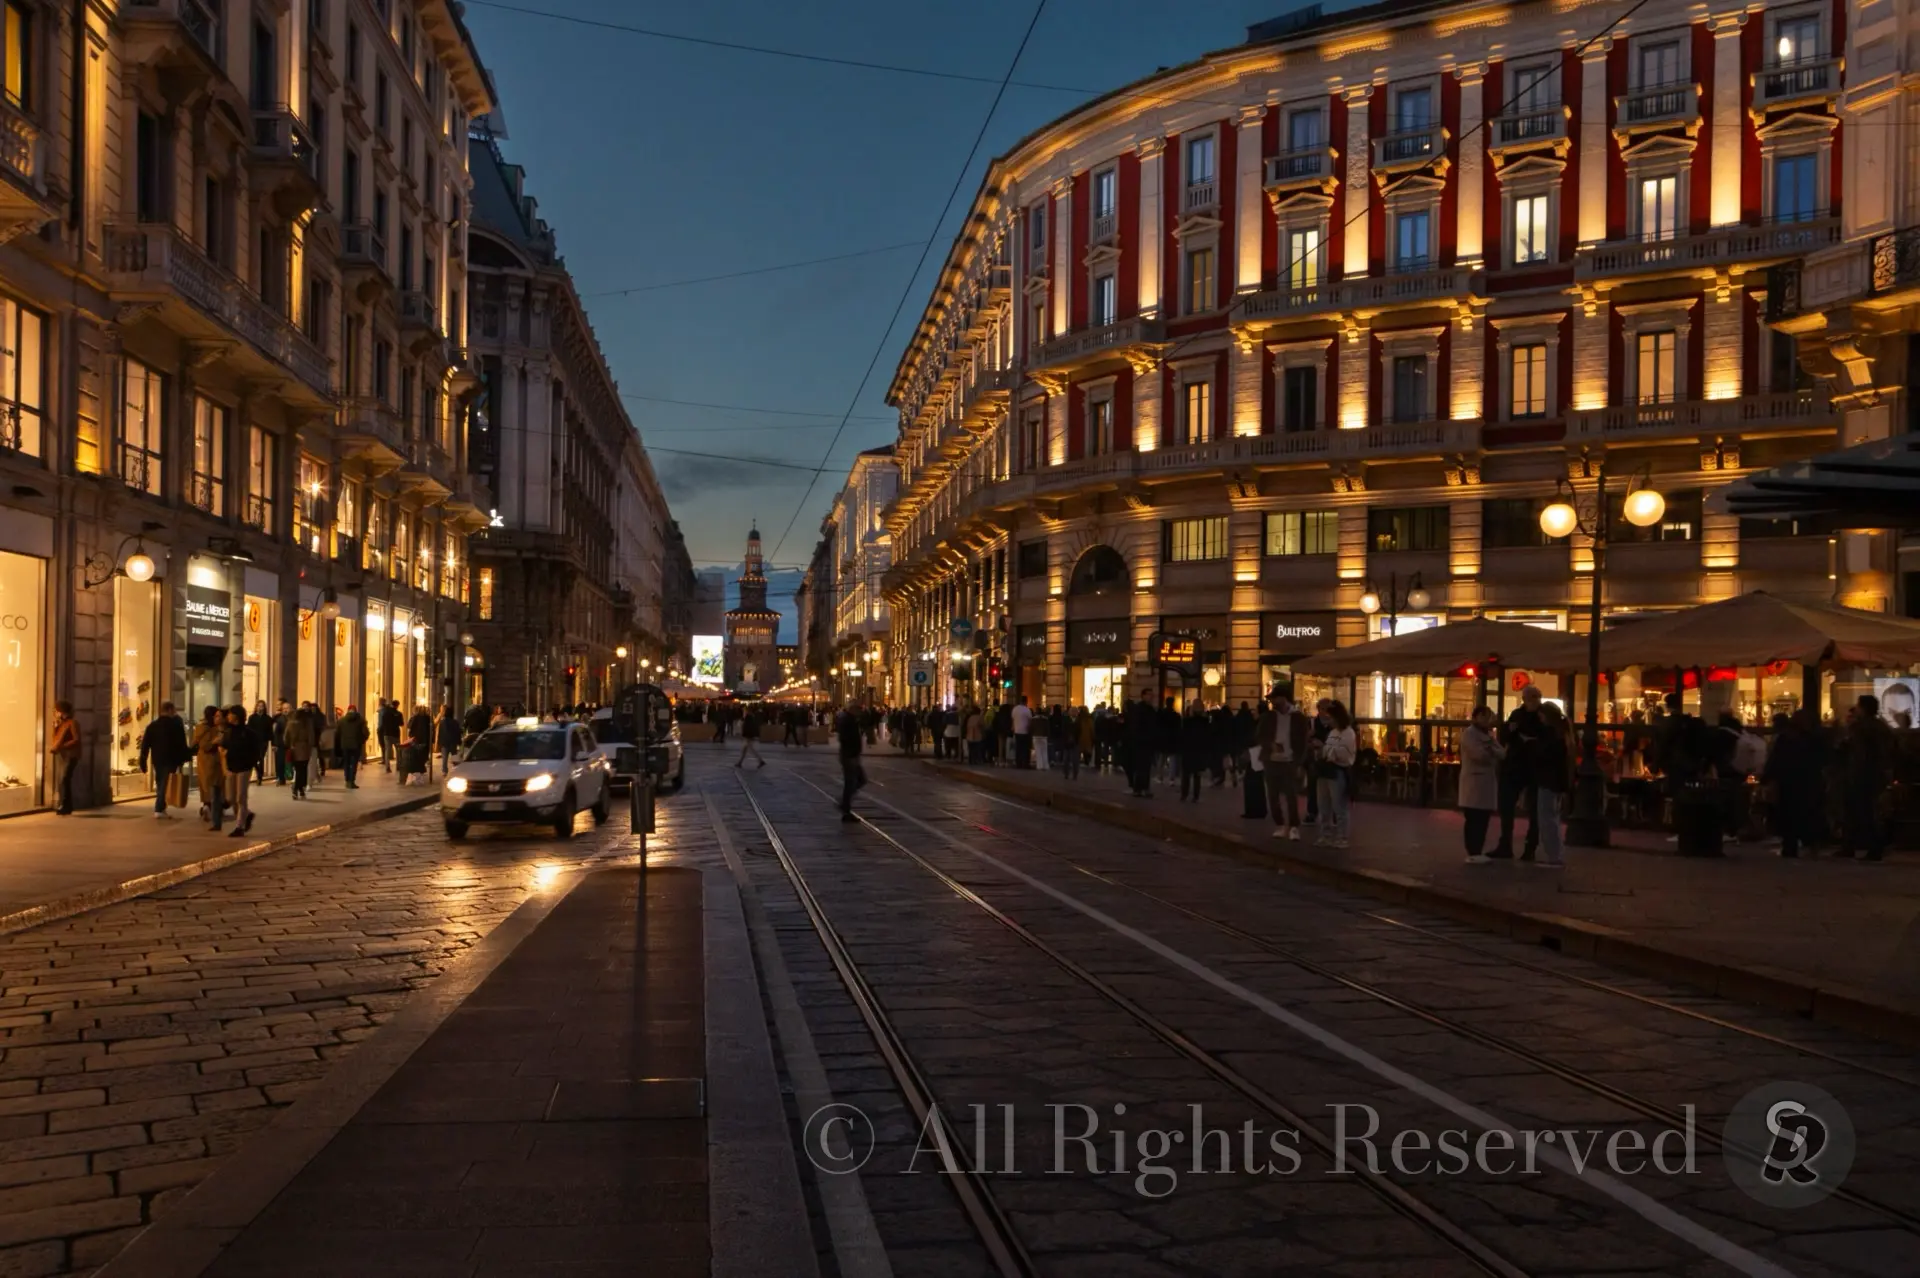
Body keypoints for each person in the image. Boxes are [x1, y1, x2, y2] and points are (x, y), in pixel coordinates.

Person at [1839, 694, 1895, 861]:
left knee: (1859, 811)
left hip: (1862, 774)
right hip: (1874, 774)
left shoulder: (1861, 728)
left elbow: (1857, 752)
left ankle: (1859, 846)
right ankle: (1870, 846)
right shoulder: (1881, 727)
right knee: (1869, 811)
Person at [1764, 710, 1826, 858]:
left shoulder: (1786, 738)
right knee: (1808, 813)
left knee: (1789, 814)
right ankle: (1810, 843)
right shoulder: (1816, 738)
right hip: (1809, 781)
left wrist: (1768, 778)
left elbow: (1776, 760)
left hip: (1789, 781)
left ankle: (1790, 846)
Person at [1493, 686, 1545, 861]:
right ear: (1524, 699)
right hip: (1514, 766)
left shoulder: (1544, 716)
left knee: (1535, 809)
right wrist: (1514, 733)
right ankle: (1505, 844)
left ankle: (1530, 848)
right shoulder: (1516, 714)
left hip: (1535, 767)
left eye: (1536, 697)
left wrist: (1524, 737)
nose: (1533, 700)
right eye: (1530, 697)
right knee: (1506, 805)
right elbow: (1506, 735)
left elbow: (1546, 738)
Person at [1258, 686, 1310, 840]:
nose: (1273, 701)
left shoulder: (1298, 717)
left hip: (1290, 761)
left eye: (1276, 698)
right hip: (1271, 760)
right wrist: (1270, 744)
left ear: (1284, 698)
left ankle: (1294, 826)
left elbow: (1303, 741)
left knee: (1291, 794)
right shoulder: (1268, 717)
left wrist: (1300, 762)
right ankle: (1280, 824)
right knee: (1273, 795)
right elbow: (1259, 735)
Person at [1459, 706, 1506, 863]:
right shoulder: (1469, 734)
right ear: (1475, 717)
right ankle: (1473, 851)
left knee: (1483, 819)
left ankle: (1477, 850)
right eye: (1483, 717)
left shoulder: (1489, 735)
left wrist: (1491, 752)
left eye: (1488, 717)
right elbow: (1479, 755)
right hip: (1474, 783)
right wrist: (1492, 753)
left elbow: (1502, 753)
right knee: (1473, 818)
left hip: (1486, 783)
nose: (1487, 721)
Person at [1534, 702, 1575, 868]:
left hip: (1548, 780)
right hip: (1557, 781)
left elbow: (1544, 756)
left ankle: (1554, 857)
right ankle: (1555, 855)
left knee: (1547, 819)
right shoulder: (1564, 733)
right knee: (1553, 818)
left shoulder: (1550, 734)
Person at [1314, 702, 1357, 848]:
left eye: (1330, 717)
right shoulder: (1332, 733)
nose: (1328, 720)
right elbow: (1329, 750)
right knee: (1323, 805)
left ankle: (1341, 837)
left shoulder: (1348, 733)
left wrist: (1325, 750)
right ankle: (1325, 835)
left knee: (1339, 807)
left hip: (1337, 771)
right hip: (1324, 771)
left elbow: (1345, 755)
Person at [137, 701, 190, 819]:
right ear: (170, 710)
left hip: (157, 759)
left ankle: (161, 807)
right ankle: (159, 808)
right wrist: (184, 757)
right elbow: (181, 743)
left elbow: (145, 744)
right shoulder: (176, 725)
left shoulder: (152, 726)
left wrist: (143, 760)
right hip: (171, 759)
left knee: (161, 781)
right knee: (164, 784)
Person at [222, 705, 259, 838]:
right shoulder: (228, 732)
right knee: (230, 798)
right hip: (232, 768)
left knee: (240, 798)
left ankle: (239, 826)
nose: (228, 717)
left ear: (236, 716)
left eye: (230, 714)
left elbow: (255, 750)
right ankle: (247, 814)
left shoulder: (248, 733)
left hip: (244, 768)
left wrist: (251, 763)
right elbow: (225, 747)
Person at [192, 705, 227, 829]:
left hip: (202, 760)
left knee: (205, 784)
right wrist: (216, 740)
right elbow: (209, 745)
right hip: (213, 759)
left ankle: (207, 805)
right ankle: (212, 808)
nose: (218, 717)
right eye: (216, 715)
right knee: (215, 785)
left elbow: (196, 743)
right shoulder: (212, 729)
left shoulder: (200, 727)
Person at [48, 700, 80, 815]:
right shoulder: (60, 724)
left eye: (56, 711)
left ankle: (66, 805)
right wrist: (55, 728)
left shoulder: (72, 723)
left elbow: (76, 739)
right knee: (61, 780)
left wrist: (63, 746)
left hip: (70, 755)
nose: (55, 713)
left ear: (61, 712)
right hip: (62, 755)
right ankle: (65, 804)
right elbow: (55, 739)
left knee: (64, 779)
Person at [1126, 693, 1158, 797]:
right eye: (1149, 695)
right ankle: (1140, 788)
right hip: (1141, 743)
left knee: (1145, 767)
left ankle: (1142, 788)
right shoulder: (1140, 710)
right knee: (1141, 767)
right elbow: (1136, 727)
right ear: (1143, 696)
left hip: (1147, 742)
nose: (1151, 697)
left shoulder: (1150, 709)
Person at [836, 705, 865, 822]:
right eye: (859, 710)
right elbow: (847, 738)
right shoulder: (848, 721)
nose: (860, 712)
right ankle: (845, 809)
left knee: (859, 780)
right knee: (851, 782)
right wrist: (852, 753)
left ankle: (845, 804)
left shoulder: (850, 720)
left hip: (851, 755)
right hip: (849, 756)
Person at [1178, 702, 1211, 802]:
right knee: (1197, 775)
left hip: (1188, 751)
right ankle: (1196, 796)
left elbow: (1182, 736)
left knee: (1186, 775)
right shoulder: (1205, 722)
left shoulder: (1187, 721)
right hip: (1199, 752)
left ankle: (1184, 794)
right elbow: (1207, 737)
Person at [283, 704, 315, 799]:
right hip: (304, 749)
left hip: (293, 749)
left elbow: (285, 738)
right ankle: (297, 788)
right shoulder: (307, 723)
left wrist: (289, 745)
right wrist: (310, 746)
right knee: (303, 770)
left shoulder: (290, 723)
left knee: (297, 770)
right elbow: (311, 737)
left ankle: (299, 789)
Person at [336, 704, 368, 790]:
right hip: (356, 745)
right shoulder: (361, 720)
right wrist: (361, 741)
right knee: (354, 764)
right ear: (356, 710)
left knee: (346, 763)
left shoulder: (341, 720)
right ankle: (352, 781)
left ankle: (347, 780)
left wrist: (339, 743)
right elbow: (366, 733)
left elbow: (337, 734)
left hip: (345, 745)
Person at [405, 705, 434, 784]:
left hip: (416, 739)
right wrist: (432, 740)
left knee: (416, 755)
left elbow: (409, 726)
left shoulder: (414, 718)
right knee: (423, 755)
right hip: (426, 740)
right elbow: (432, 729)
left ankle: (418, 771)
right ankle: (421, 770)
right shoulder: (428, 718)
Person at [247, 701, 273, 783]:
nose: (260, 708)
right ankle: (258, 771)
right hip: (253, 742)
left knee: (261, 758)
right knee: (254, 759)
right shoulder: (252, 717)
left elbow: (270, 731)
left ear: (264, 708)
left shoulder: (268, 718)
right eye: (259, 706)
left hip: (263, 741)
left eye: (262, 706)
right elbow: (249, 729)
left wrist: (271, 741)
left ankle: (260, 777)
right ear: (256, 707)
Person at [377, 699, 404, 771]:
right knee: (398, 750)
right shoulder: (399, 714)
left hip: (387, 733)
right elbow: (401, 724)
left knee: (387, 750)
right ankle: (398, 766)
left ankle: (387, 767)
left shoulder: (385, 713)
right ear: (397, 705)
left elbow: (382, 723)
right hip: (395, 734)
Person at [436, 706, 462, 776]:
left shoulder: (442, 722)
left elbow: (440, 733)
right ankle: (456, 769)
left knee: (444, 758)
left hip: (444, 742)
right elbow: (458, 732)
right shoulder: (455, 722)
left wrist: (439, 743)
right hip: (453, 742)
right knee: (454, 756)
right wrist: (459, 741)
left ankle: (445, 771)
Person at [1010, 696, 1033, 769]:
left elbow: (1013, 720)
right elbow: (1030, 721)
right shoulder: (1027, 710)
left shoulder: (1015, 709)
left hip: (1017, 731)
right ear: (1026, 701)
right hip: (1025, 731)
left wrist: (1013, 728)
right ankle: (1025, 763)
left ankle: (1018, 763)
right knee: (1025, 749)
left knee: (1018, 748)